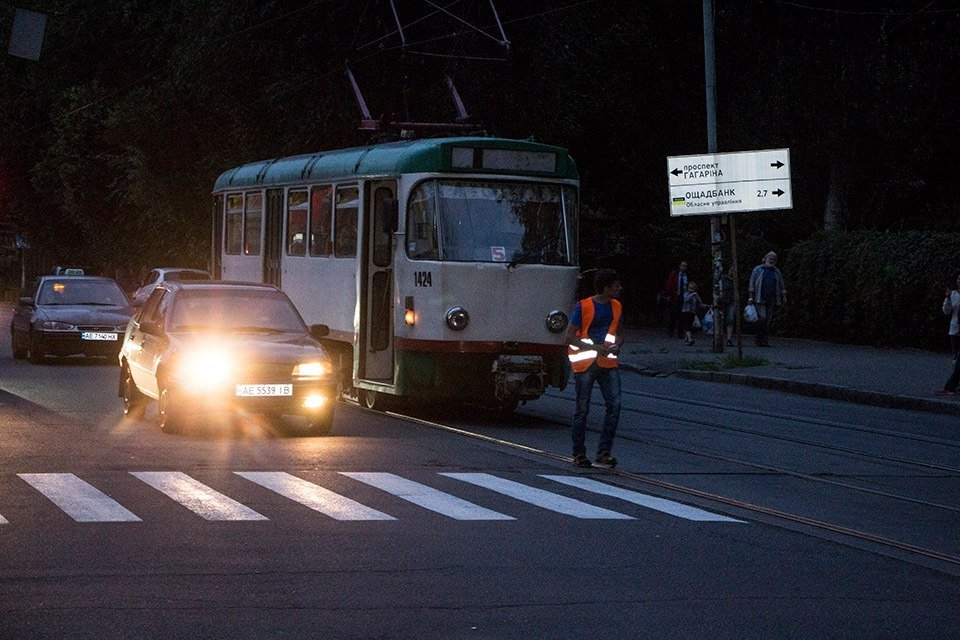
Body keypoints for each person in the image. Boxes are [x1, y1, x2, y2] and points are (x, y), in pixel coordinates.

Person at [564, 269, 624, 468]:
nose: (620, 288)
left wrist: (617, 345)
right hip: (586, 364)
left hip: (608, 363)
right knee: (582, 410)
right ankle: (579, 454)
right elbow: (568, 337)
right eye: (616, 285)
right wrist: (594, 348)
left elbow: (618, 334)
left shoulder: (616, 306)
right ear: (606, 288)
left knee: (615, 405)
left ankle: (603, 452)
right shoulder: (584, 306)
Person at [748, 251, 787, 347]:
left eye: (774, 259)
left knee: (768, 320)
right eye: (770, 258)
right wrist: (751, 296)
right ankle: (759, 337)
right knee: (763, 317)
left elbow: (781, 283)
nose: (772, 261)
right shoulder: (757, 269)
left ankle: (764, 339)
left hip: (772, 299)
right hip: (759, 298)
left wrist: (784, 295)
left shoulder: (776, 271)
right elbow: (752, 283)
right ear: (765, 258)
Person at [680, 281, 711, 346]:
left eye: (693, 288)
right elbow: (686, 300)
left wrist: (708, 306)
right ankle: (690, 339)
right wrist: (692, 295)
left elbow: (699, 304)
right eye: (690, 288)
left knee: (690, 325)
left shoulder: (696, 295)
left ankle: (687, 338)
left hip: (692, 312)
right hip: (686, 312)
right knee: (687, 325)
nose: (691, 290)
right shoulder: (686, 294)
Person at [664, 260, 689, 338]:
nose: (684, 267)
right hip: (675, 296)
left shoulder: (687, 276)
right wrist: (669, 295)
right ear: (680, 266)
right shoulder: (674, 275)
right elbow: (669, 285)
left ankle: (680, 333)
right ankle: (671, 331)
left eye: (685, 266)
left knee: (682, 315)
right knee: (673, 315)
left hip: (684, 297)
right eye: (682, 266)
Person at [718, 266, 737, 346]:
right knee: (721, 319)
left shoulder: (735, 281)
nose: (732, 272)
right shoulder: (723, 279)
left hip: (731, 301)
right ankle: (720, 337)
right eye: (731, 270)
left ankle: (729, 339)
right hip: (723, 301)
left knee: (730, 319)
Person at [943, 275, 960, 361]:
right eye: (959, 278)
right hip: (955, 328)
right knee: (956, 359)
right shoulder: (953, 294)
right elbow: (946, 311)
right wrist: (948, 298)